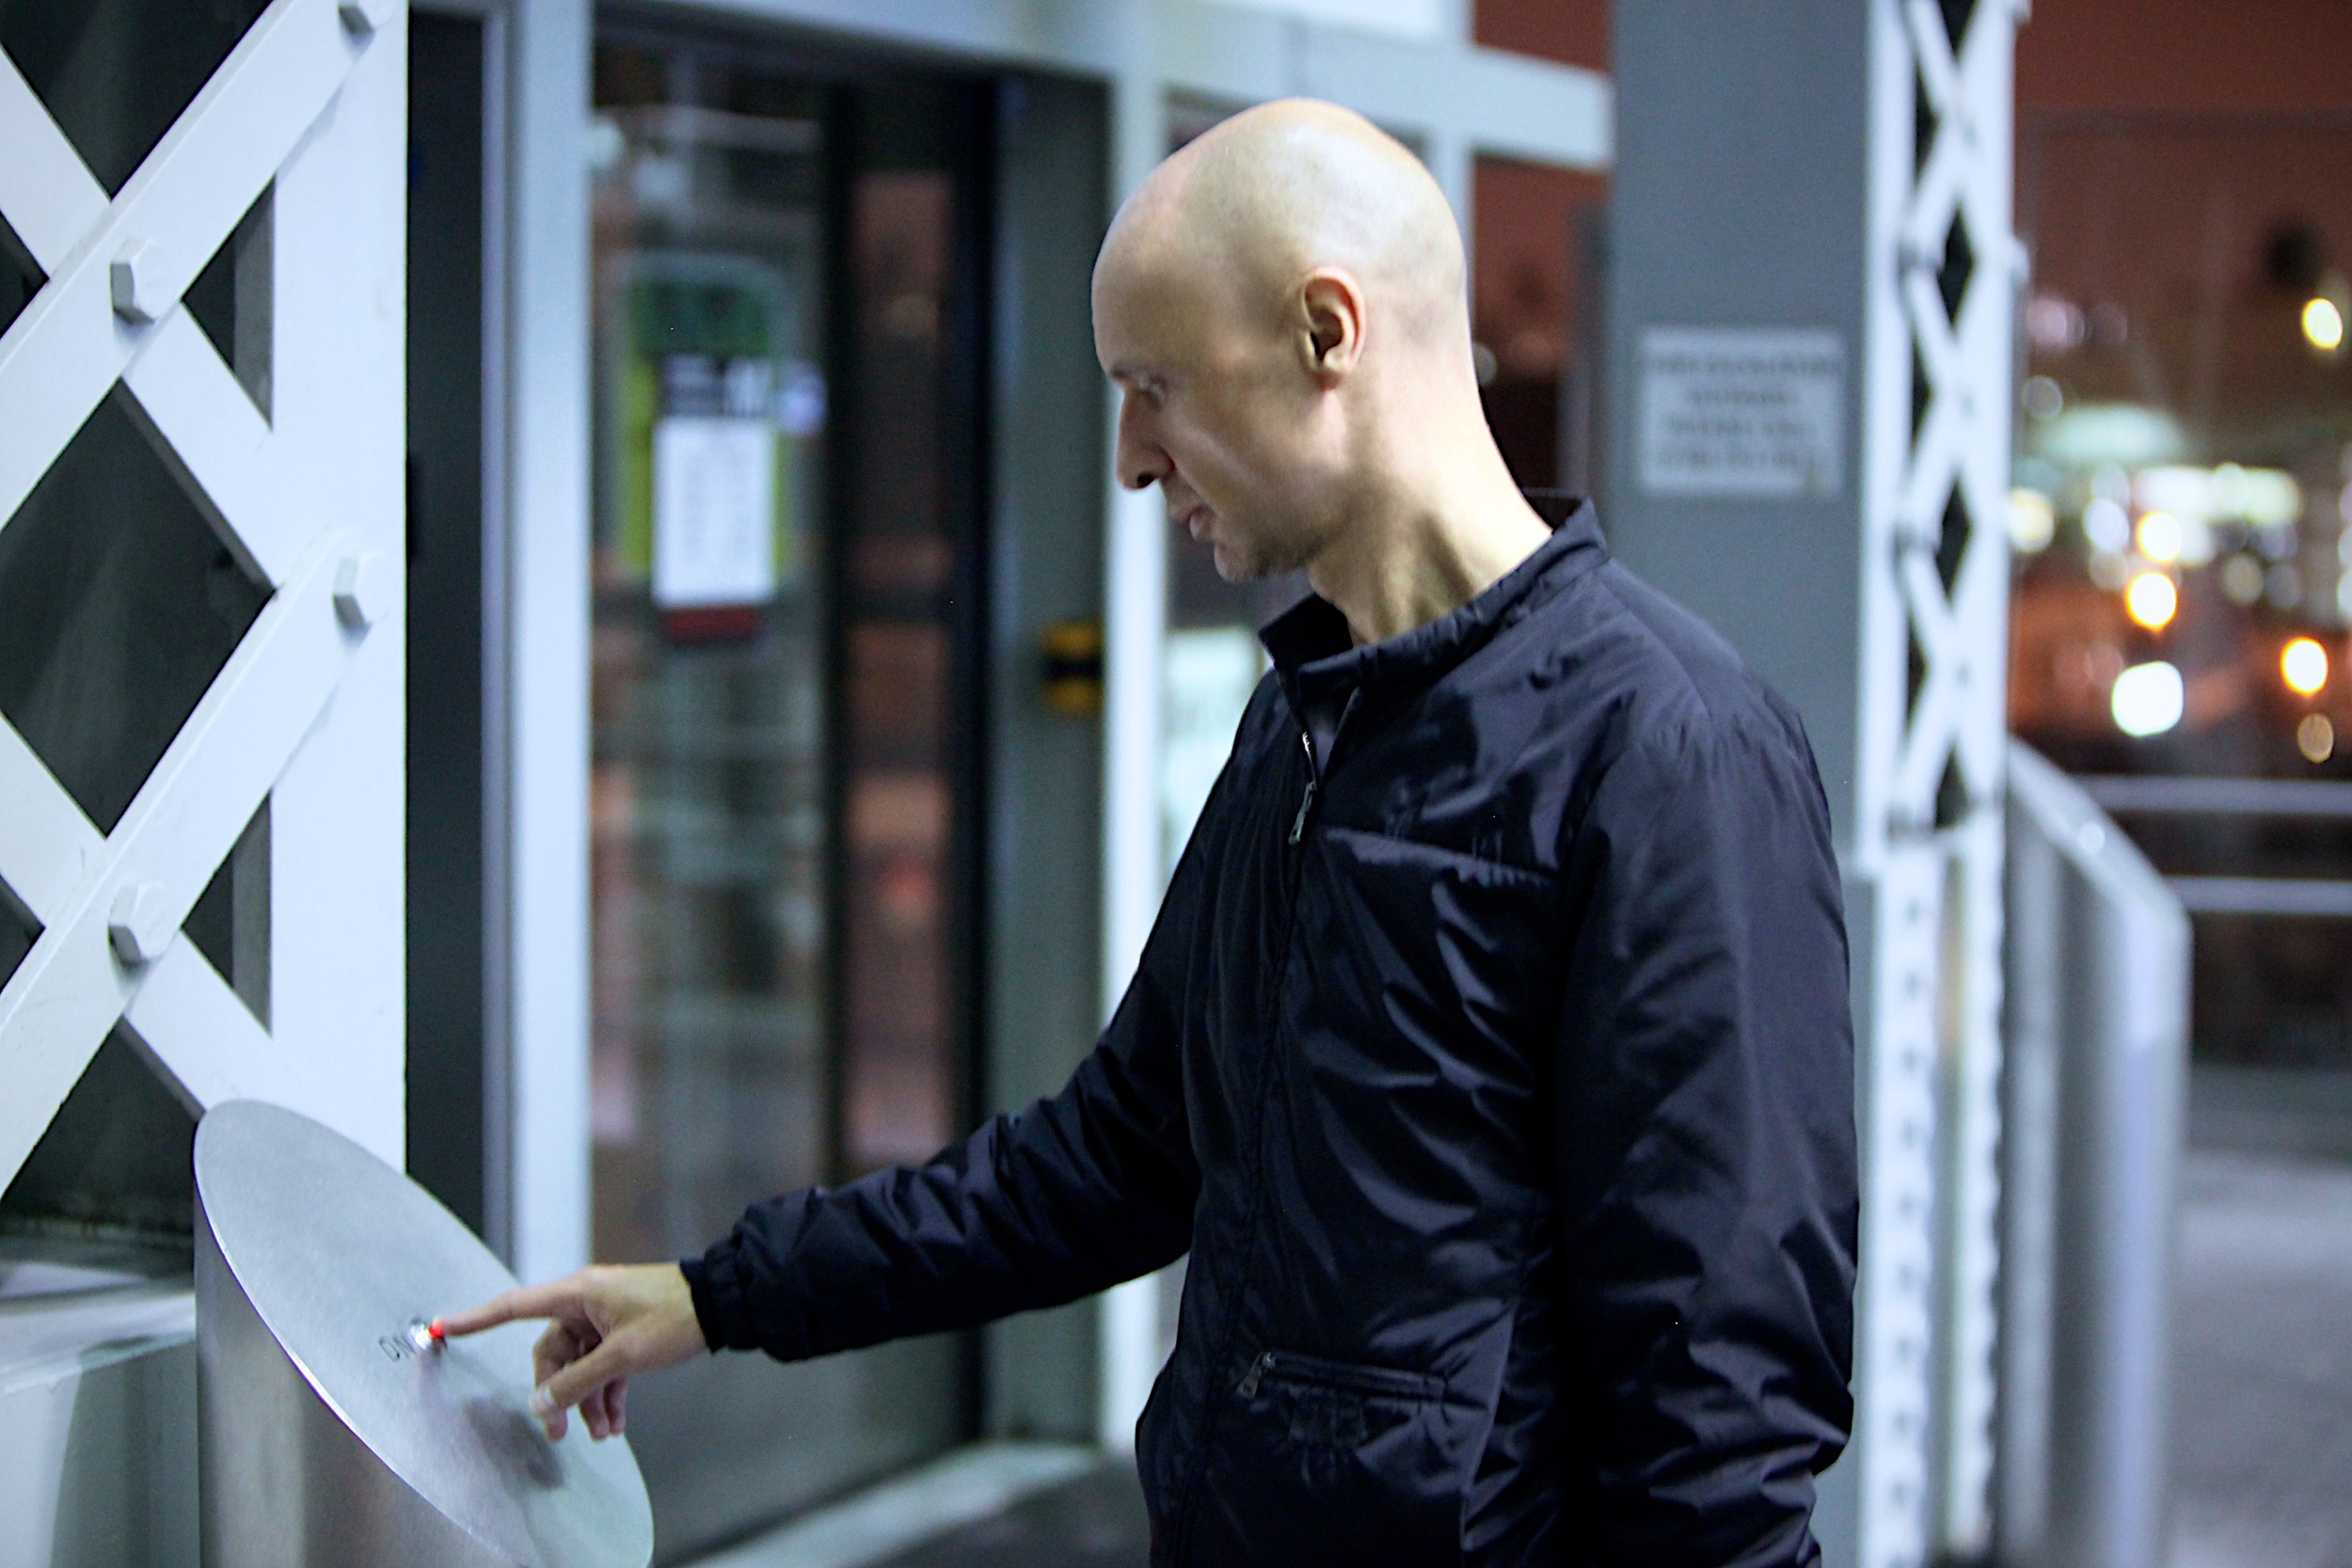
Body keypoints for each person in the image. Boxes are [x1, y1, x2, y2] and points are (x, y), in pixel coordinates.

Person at [446, 98, 1857, 1566]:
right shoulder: (1308, 722)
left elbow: (1720, 1410)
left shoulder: (1673, 750)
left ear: (1329, 334)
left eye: (1157, 386)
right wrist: (720, 1294)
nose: (1130, 457)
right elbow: (1115, 1157)